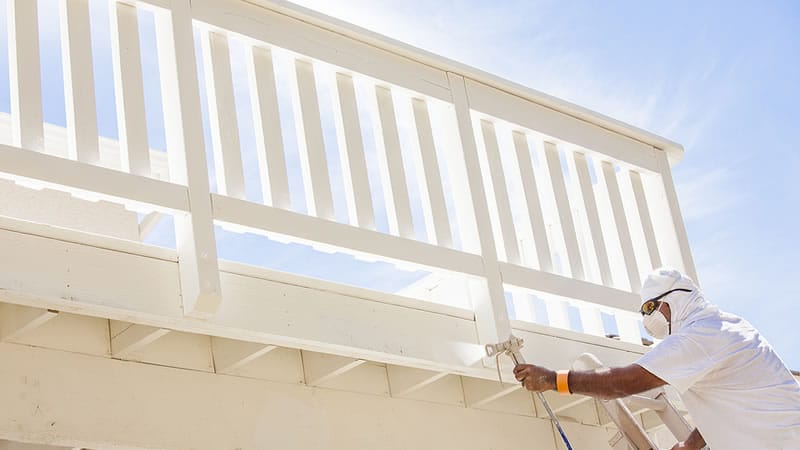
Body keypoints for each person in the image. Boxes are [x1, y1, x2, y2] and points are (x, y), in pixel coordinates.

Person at [514, 267, 800, 449]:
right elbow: (731, 406)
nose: (647, 319)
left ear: (675, 299)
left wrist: (554, 379)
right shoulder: (725, 326)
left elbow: (623, 383)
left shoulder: (699, 335)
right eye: (642, 312)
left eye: (651, 307)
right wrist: (690, 445)